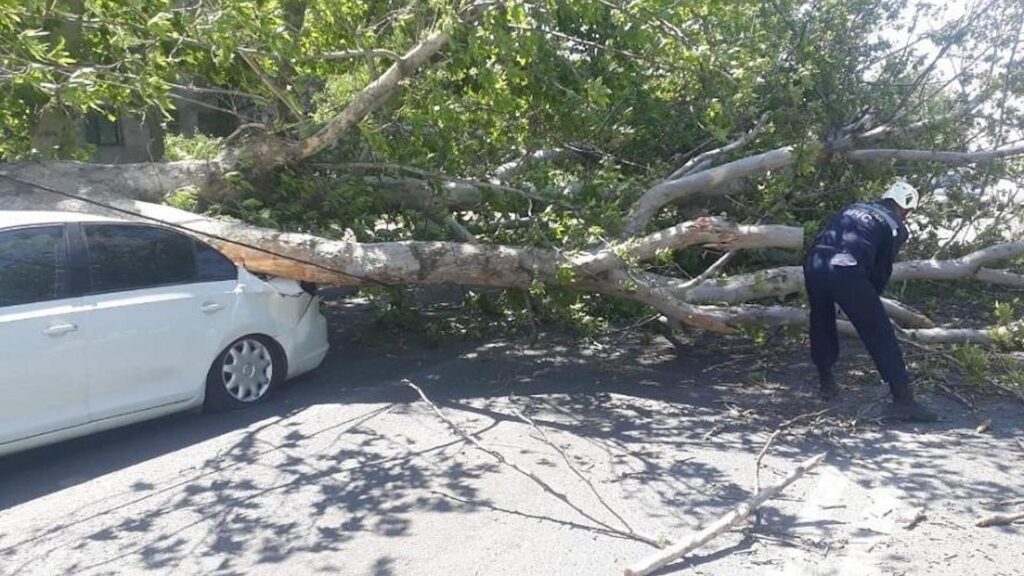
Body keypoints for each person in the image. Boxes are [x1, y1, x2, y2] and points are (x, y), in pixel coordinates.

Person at [803, 180, 938, 422]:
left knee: (821, 319)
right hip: (846, 269)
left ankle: (826, 382)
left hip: (815, 262)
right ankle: (904, 400)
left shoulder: (852, 208)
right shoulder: (895, 226)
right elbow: (880, 271)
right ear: (905, 209)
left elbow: (825, 236)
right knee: (879, 331)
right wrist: (865, 301)